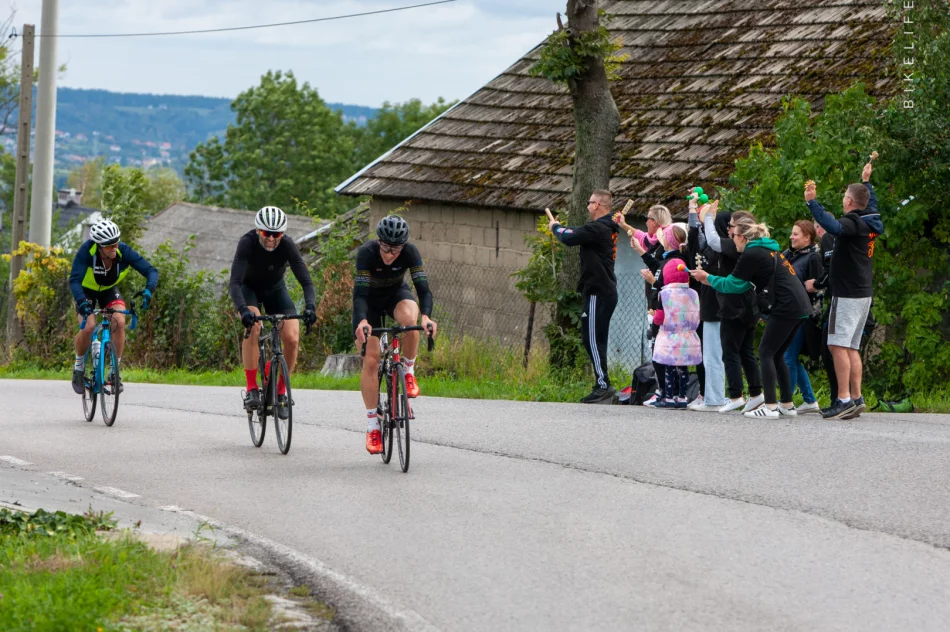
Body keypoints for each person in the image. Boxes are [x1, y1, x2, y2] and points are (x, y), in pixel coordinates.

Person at [692, 218, 812, 418]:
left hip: (786, 306)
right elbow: (743, 285)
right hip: (799, 305)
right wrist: (711, 279)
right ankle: (787, 404)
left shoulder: (751, 253)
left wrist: (707, 278)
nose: (732, 239)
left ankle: (771, 406)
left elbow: (732, 284)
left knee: (765, 352)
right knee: (777, 354)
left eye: (734, 236)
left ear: (742, 237)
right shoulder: (766, 250)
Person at [353, 215, 437, 454]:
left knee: (411, 321)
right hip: (368, 302)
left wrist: (427, 317)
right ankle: (373, 426)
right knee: (371, 359)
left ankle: (408, 371)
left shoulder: (410, 252)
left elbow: (423, 288)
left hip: (395, 295)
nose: (390, 254)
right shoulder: (367, 253)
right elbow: (359, 294)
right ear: (378, 241)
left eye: (396, 249)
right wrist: (361, 320)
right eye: (386, 247)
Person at [805, 160, 882, 419]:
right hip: (863, 292)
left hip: (847, 292)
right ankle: (857, 397)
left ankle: (843, 399)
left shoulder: (851, 224)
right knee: (850, 346)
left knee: (837, 345)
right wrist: (867, 181)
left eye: (844, 197)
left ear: (849, 202)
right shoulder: (869, 220)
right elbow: (870, 202)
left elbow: (834, 226)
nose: (843, 201)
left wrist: (812, 202)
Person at [229, 206, 317, 420]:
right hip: (248, 290)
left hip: (275, 290)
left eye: (276, 234)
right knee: (253, 326)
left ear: (283, 234)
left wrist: (310, 307)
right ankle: (251, 388)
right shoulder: (247, 243)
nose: (271, 239)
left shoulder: (287, 245)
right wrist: (242, 310)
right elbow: (235, 283)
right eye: (266, 233)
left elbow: (306, 281)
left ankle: (280, 392)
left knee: (292, 338)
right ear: (258, 231)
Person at [69, 219, 158, 395]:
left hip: (108, 291)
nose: (114, 248)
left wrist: (149, 290)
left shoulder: (123, 251)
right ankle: (79, 367)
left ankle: (114, 371)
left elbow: (151, 271)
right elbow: (74, 280)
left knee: (119, 320)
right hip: (85, 292)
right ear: (99, 246)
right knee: (89, 326)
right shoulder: (87, 252)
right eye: (109, 246)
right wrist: (82, 303)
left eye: (116, 243)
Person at [547, 190, 619, 404]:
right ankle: (602, 383)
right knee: (597, 340)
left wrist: (555, 228)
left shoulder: (598, 228)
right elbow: (576, 232)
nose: (587, 206)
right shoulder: (606, 227)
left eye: (589, 202)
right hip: (604, 290)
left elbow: (569, 237)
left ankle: (603, 385)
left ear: (596, 204)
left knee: (591, 340)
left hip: (598, 290)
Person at [702, 207, 764, 413]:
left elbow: (712, 240)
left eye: (731, 226)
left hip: (734, 305)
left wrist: (708, 217)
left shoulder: (735, 245)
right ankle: (756, 394)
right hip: (749, 304)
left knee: (730, 352)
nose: (728, 230)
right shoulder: (752, 247)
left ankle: (736, 394)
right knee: (746, 351)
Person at [686, 195, 728, 412]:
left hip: (716, 307)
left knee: (714, 355)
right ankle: (715, 396)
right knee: (712, 355)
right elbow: (696, 236)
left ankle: (716, 398)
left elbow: (702, 239)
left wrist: (702, 213)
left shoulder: (720, 249)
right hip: (713, 306)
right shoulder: (720, 248)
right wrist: (693, 209)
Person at [782, 220, 823, 413]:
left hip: (803, 315)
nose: (792, 237)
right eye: (792, 233)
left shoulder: (813, 258)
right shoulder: (790, 254)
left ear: (807, 237)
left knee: (788, 357)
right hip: (787, 313)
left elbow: (817, 289)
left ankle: (786, 402)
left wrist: (814, 316)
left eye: (796, 234)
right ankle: (809, 400)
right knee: (791, 357)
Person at [651, 260, 702, 408]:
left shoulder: (665, 294)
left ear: (667, 276)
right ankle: (682, 397)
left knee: (669, 368)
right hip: (687, 337)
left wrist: (655, 321)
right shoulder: (693, 294)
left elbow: (659, 317)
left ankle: (668, 397)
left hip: (670, 338)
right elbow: (697, 315)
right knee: (683, 368)